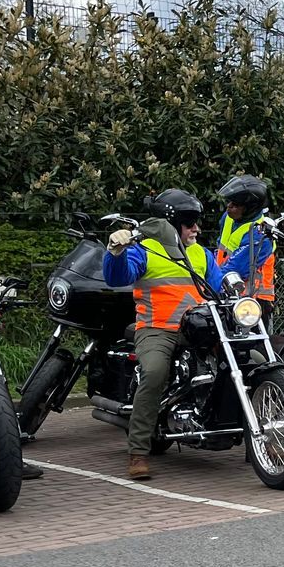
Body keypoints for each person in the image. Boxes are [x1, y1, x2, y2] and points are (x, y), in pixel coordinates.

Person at [97, 188, 235, 481]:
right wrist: (115, 253)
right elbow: (117, 277)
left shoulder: (201, 254)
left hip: (198, 329)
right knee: (155, 372)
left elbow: (220, 284)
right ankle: (138, 452)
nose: (196, 228)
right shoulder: (144, 250)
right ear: (171, 224)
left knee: (251, 358)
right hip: (157, 328)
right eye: (189, 222)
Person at [213, 175, 275, 322]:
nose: (229, 207)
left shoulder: (259, 235)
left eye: (235, 204)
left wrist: (209, 286)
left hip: (253, 301)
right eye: (229, 202)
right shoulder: (229, 218)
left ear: (249, 208)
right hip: (229, 292)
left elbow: (237, 268)